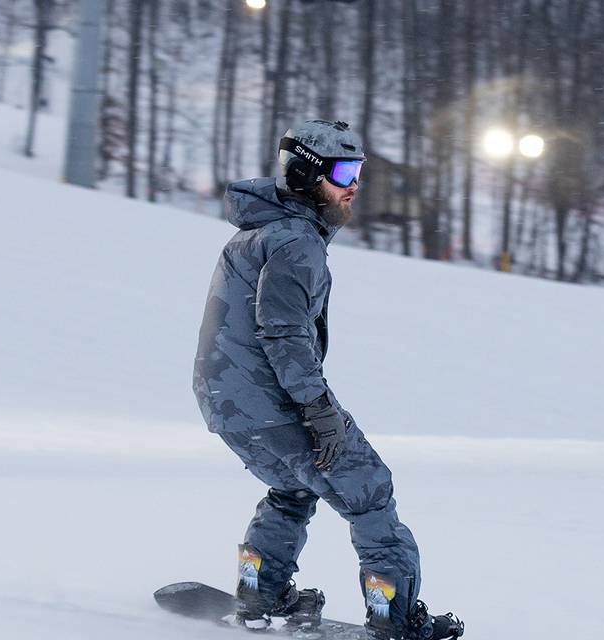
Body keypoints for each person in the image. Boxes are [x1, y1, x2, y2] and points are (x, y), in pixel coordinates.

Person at [192, 119, 464, 640]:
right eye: (342, 171)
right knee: (369, 491)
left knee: (292, 488)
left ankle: (260, 591)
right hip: (273, 400)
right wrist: (319, 413)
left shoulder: (259, 232)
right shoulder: (295, 241)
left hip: (226, 402)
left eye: (358, 169)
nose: (354, 182)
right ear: (304, 175)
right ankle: (395, 620)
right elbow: (285, 334)